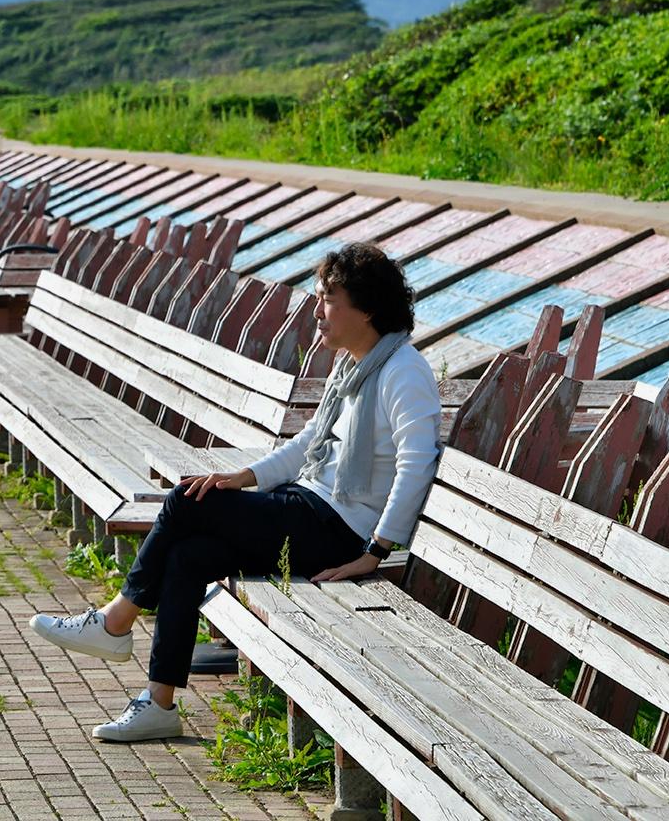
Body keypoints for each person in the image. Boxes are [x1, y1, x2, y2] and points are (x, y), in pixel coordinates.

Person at [27, 242, 442, 742]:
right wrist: (241, 478)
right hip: (307, 510)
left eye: (329, 298)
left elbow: (416, 463)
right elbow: (308, 443)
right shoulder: (355, 367)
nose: (317, 310)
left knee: (184, 502)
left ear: (368, 307)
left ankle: (116, 621)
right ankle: (159, 704)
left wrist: (375, 552)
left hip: (336, 531)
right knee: (187, 554)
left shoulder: (402, 371)